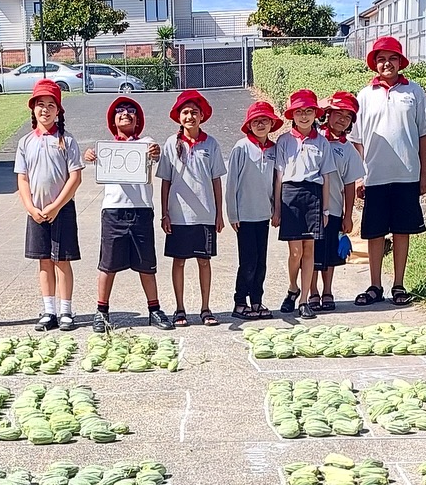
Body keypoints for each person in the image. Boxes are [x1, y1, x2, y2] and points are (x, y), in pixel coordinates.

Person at [353, 36, 426, 307]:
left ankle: (399, 284)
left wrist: (424, 172)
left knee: (402, 231)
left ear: (400, 62)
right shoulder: (365, 95)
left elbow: (424, 134)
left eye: (392, 58)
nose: (386, 63)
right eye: (380, 59)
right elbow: (357, 139)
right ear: (374, 64)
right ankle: (375, 285)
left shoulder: (414, 92)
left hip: (407, 174)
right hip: (375, 176)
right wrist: (360, 175)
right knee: (374, 233)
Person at [81, 96, 174, 331]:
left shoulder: (146, 142)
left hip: (141, 210)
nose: (125, 113)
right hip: (113, 211)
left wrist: (155, 151)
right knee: (108, 264)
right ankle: (101, 312)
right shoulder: (106, 148)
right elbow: (91, 157)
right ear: (113, 120)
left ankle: (154, 310)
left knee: (146, 264)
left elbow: (155, 154)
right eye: (120, 111)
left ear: (138, 120)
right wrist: (90, 155)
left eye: (131, 111)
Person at [14, 79, 83, 330]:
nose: (45, 109)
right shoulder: (25, 143)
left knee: (62, 260)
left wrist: (56, 206)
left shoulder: (67, 140)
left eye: (50, 105)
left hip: (61, 210)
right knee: (44, 260)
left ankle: (66, 311)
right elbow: (22, 178)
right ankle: (49, 310)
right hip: (36, 212)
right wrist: (31, 208)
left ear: (58, 110)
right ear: (33, 109)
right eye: (40, 104)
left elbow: (75, 177)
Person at [156, 89, 225, 327]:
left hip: (205, 213)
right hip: (178, 215)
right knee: (179, 261)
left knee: (204, 261)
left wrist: (219, 213)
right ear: (178, 117)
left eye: (194, 112)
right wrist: (164, 212)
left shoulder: (211, 144)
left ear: (202, 116)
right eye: (185, 113)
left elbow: (216, 179)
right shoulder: (170, 144)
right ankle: (180, 308)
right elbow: (165, 180)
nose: (190, 117)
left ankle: (206, 308)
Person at [272, 87, 335, 320]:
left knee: (309, 250)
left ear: (315, 114)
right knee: (295, 252)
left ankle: (304, 299)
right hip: (290, 195)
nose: (304, 116)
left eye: (309, 111)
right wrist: (277, 209)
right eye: (299, 111)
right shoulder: (284, 141)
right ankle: (292, 287)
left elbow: (326, 176)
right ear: (292, 115)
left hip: (313, 195)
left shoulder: (322, 142)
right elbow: (279, 176)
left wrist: (326, 208)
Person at [225, 100, 281, 319]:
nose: (260, 125)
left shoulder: (274, 149)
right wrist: (233, 213)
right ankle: (240, 301)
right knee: (247, 261)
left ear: (271, 124)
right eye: (256, 121)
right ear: (249, 125)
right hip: (245, 215)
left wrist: (276, 210)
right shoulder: (241, 147)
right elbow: (231, 184)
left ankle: (257, 300)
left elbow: (277, 181)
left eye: (264, 121)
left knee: (261, 261)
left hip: (263, 214)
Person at [312, 90, 363, 311]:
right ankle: (311, 291)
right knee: (311, 252)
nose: (342, 119)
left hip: (333, 208)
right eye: (337, 113)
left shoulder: (348, 149)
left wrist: (348, 215)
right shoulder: (314, 138)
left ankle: (327, 290)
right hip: (311, 208)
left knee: (330, 253)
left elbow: (349, 185)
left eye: (348, 116)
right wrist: (321, 104)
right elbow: (302, 112)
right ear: (327, 114)